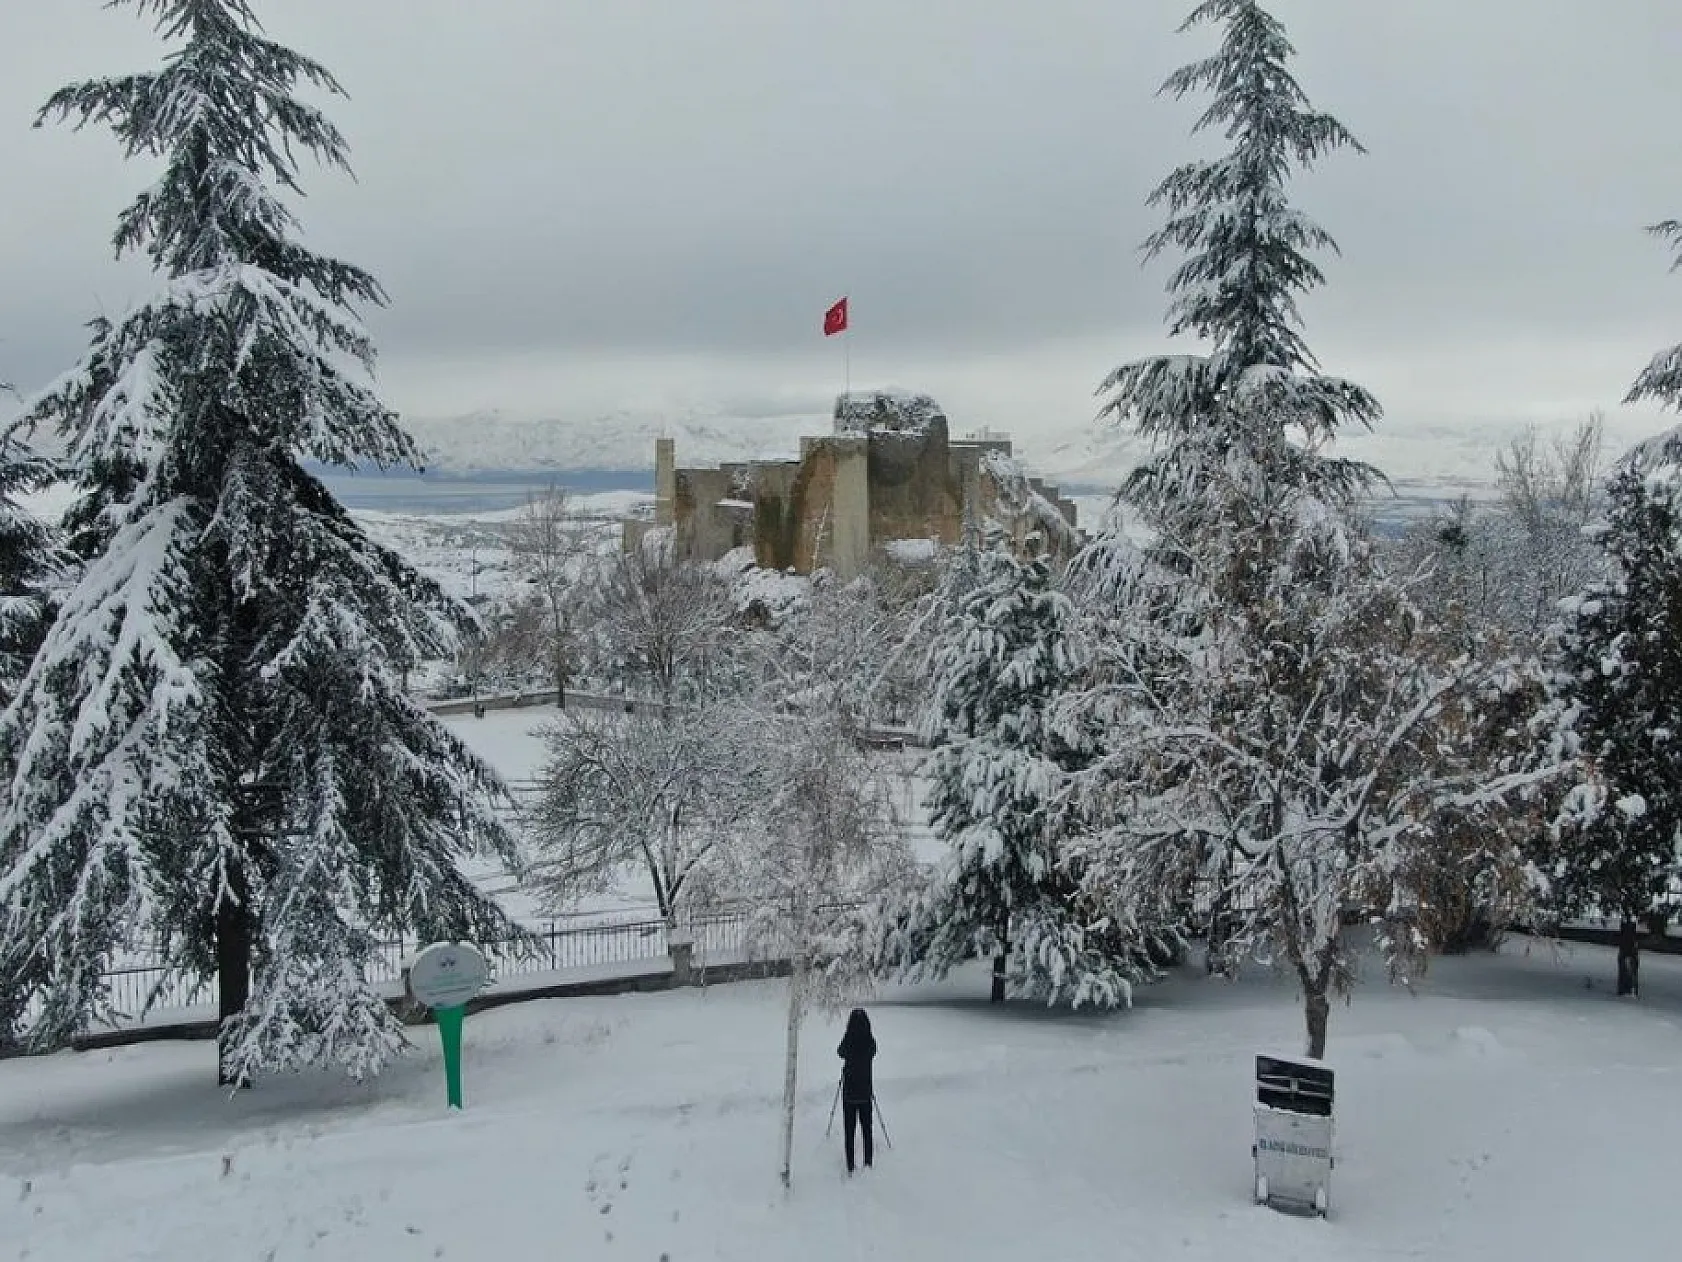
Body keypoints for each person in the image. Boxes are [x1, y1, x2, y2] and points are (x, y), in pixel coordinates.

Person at [837, 1007, 877, 1173]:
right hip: (866, 1093)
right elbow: (873, 1052)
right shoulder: (870, 1042)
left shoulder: (848, 1040)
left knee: (850, 1131)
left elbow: (840, 1052)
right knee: (867, 1129)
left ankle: (850, 1165)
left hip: (849, 1094)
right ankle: (868, 1162)